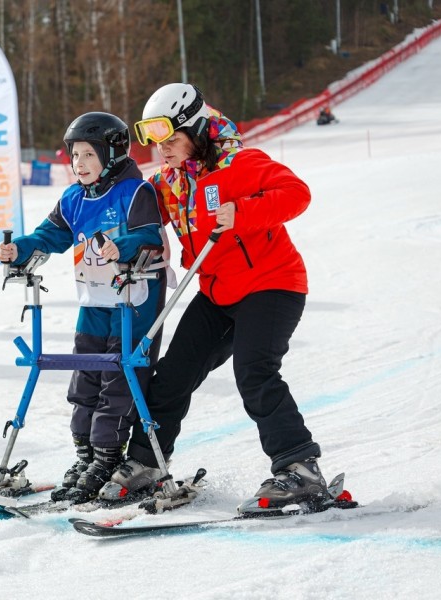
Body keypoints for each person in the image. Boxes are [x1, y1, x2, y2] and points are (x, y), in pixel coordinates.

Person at [110, 83, 327, 508]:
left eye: (172, 140)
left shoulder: (240, 163)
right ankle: (146, 462)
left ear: (198, 132)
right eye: (156, 143)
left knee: (254, 371)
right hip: (217, 293)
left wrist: (244, 212)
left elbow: (297, 193)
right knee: (173, 374)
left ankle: (299, 468)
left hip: (271, 284)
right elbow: (136, 210)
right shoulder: (169, 184)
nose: (163, 150)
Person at [0, 112, 171, 503]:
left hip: (134, 300)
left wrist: (121, 247)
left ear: (111, 154)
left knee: (119, 380)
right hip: (94, 299)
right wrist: (18, 249)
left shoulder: (135, 192)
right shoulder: (73, 197)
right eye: (75, 156)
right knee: (86, 377)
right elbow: (49, 236)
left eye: (89, 155)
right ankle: (86, 455)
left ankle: (108, 457)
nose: (80, 164)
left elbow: (149, 238)